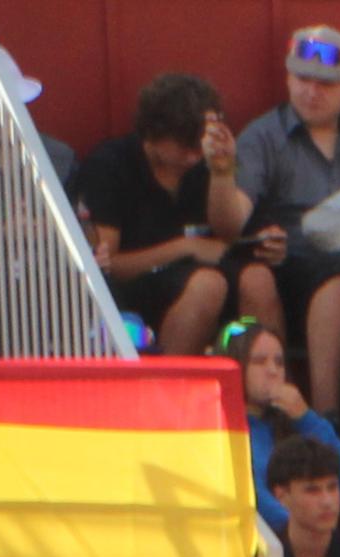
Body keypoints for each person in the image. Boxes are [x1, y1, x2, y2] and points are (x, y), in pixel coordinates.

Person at [226, 27, 340, 424]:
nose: (311, 91)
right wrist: (254, 236)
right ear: (288, 79)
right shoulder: (261, 137)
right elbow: (233, 218)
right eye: (302, 79)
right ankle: (285, 411)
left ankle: (333, 417)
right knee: (268, 276)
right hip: (285, 269)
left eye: (325, 83)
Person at [75, 73, 233, 362]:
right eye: (183, 147)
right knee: (208, 284)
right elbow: (104, 266)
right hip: (126, 293)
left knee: (246, 279)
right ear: (152, 135)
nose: (193, 157)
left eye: (198, 147)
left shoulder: (205, 165)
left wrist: (223, 172)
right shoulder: (111, 166)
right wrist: (183, 248)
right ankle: (163, 386)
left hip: (189, 286)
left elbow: (231, 229)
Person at [228, 325, 340, 547]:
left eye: (279, 362)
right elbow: (255, 500)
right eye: (260, 362)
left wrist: (306, 418)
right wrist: (317, 536)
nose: (273, 371)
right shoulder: (226, 431)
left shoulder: (298, 424)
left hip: (311, 541)